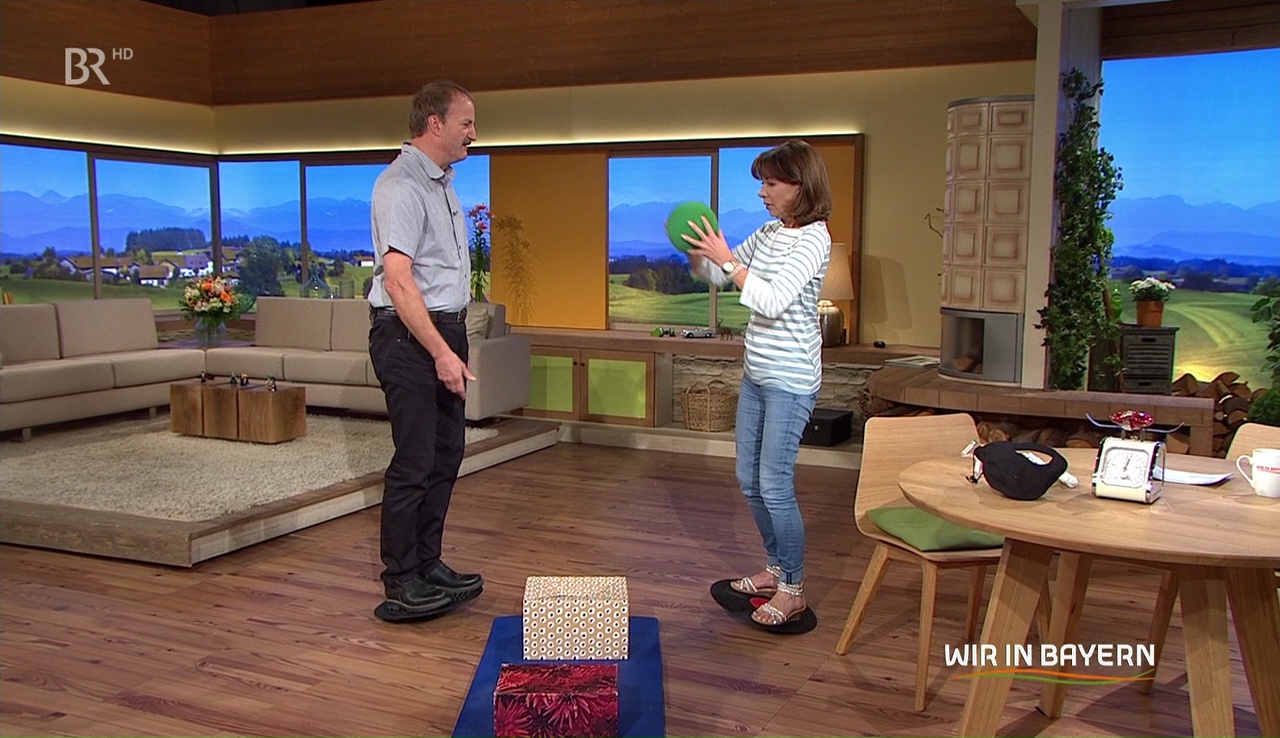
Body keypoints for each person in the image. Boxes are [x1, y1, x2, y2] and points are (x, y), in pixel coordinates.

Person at [683, 139, 833, 629]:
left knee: (775, 483)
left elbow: (770, 299)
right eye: (761, 183)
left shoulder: (814, 240)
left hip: (791, 380)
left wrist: (728, 262)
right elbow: (718, 275)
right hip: (757, 375)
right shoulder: (769, 232)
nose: (762, 193)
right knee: (750, 481)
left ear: (800, 186)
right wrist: (700, 255)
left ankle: (793, 589)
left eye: (771, 183)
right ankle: (775, 568)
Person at [367, 80, 483, 621]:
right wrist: (439, 351)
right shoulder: (401, 186)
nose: (473, 133)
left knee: (446, 453)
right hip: (408, 336)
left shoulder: (442, 185)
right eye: (466, 123)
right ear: (435, 123)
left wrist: (450, 344)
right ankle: (400, 578)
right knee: (415, 459)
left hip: (443, 332)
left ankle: (426, 562)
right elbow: (398, 281)